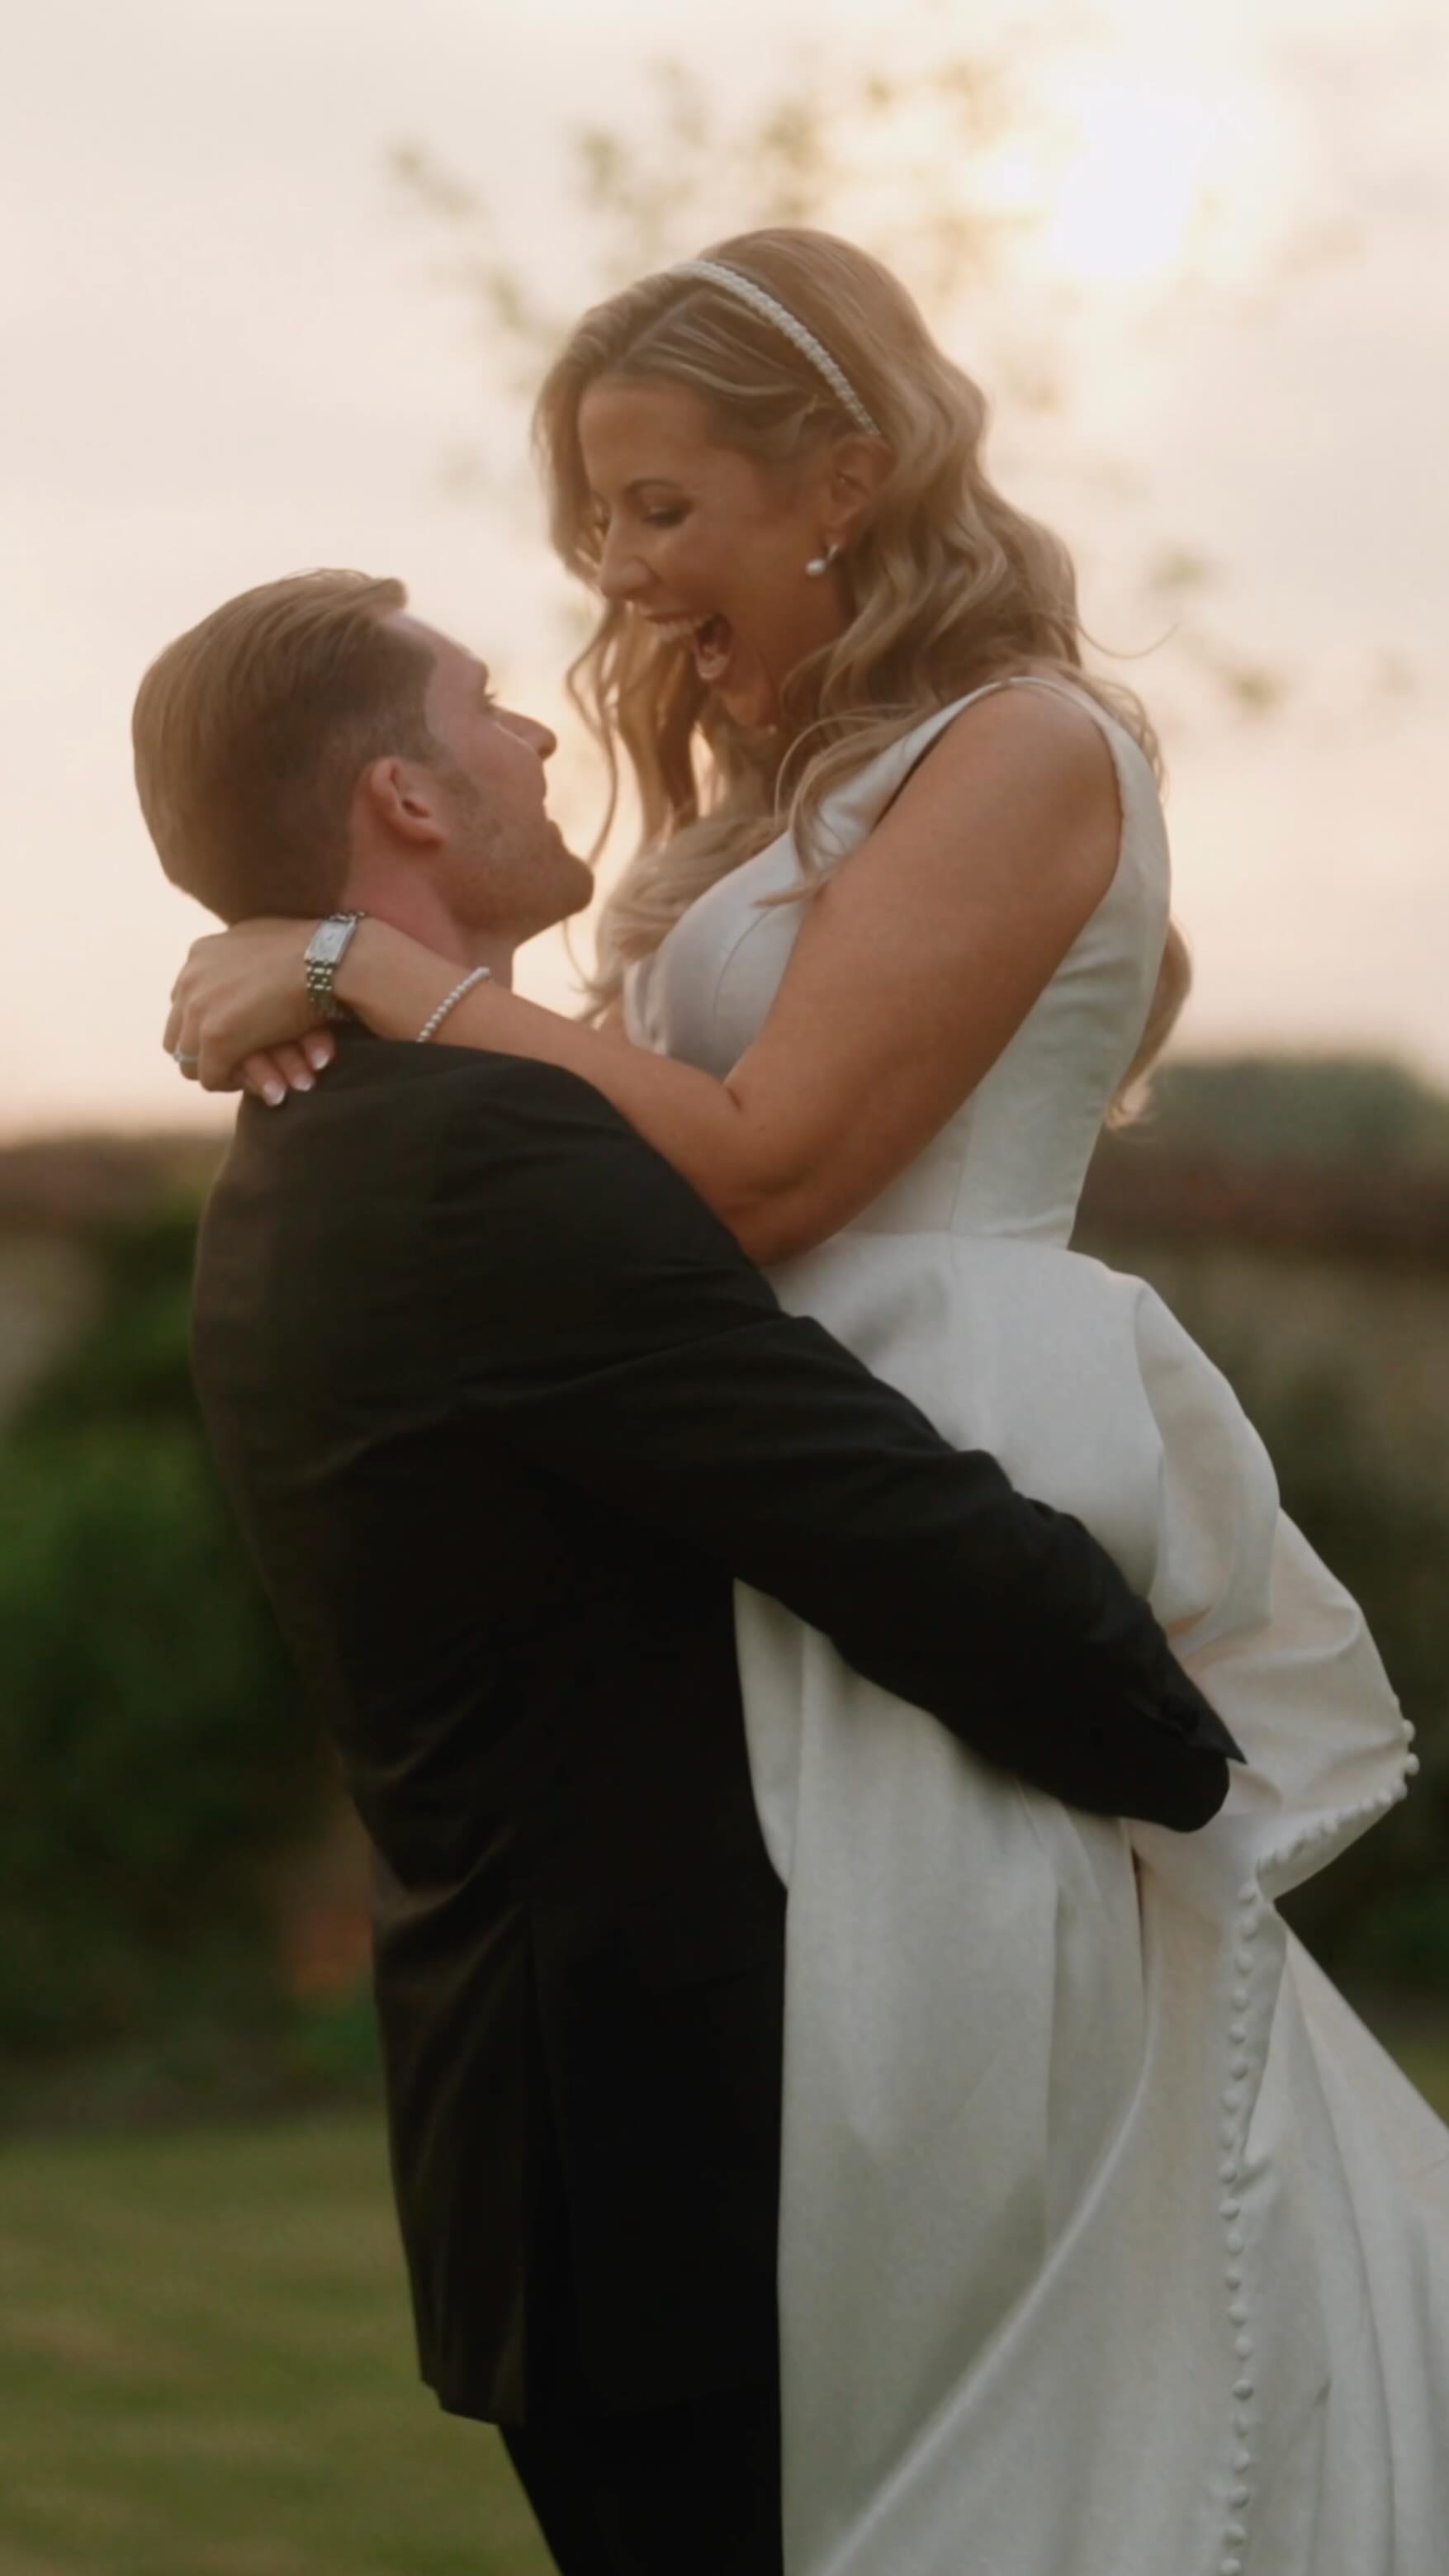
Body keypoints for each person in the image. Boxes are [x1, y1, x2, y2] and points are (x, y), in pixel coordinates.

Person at [161, 230, 1449, 2576]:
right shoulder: (768, 797)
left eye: (664, 507)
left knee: (1003, 2124)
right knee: (888, 2164)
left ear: (844, 475)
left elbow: (757, 1167)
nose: (620, 575)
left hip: (928, 1417)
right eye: (599, 520)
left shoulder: (1029, 738)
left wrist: (375, 966)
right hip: (776, 1464)